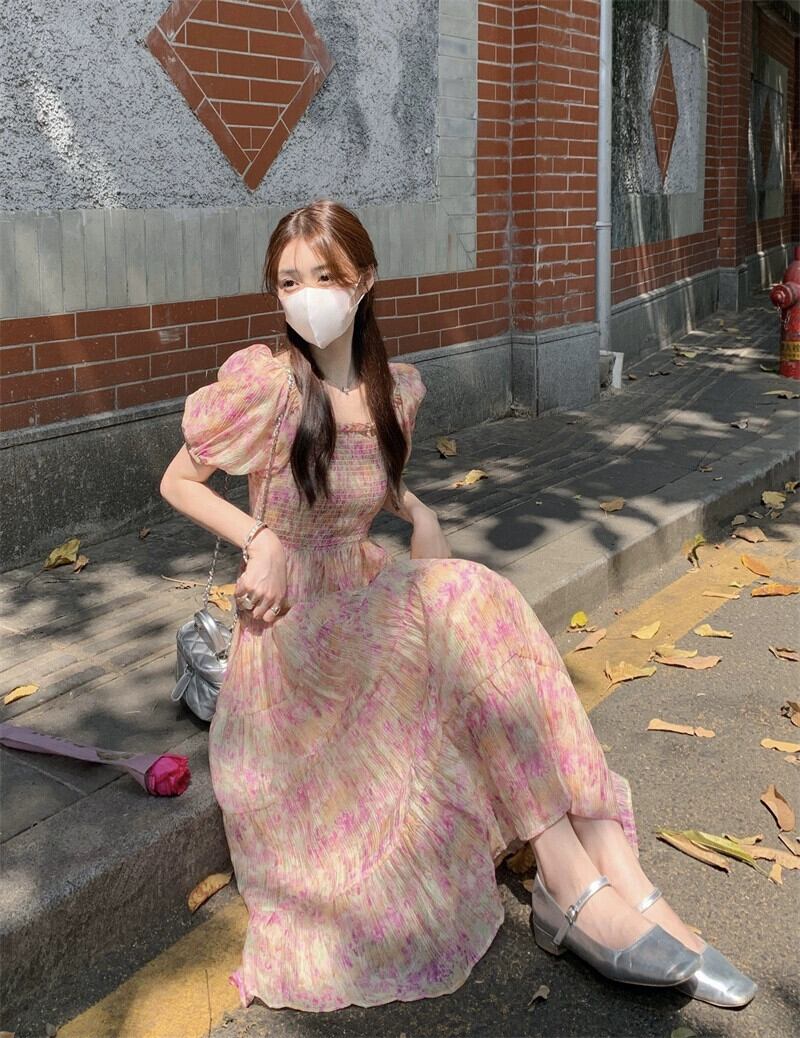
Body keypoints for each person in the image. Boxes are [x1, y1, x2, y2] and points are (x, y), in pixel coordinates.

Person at [160, 199, 757, 1013]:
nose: (304, 296)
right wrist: (258, 540)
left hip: (363, 601)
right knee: (474, 596)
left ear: (363, 282)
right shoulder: (267, 386)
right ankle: (572, 886)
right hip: (298, 636)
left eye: (323, 277)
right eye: (288, 281)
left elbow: (367, 478)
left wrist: (418, 511)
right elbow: (179, 481)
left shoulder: (394, 390)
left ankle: (621, 875)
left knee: (480, 606)